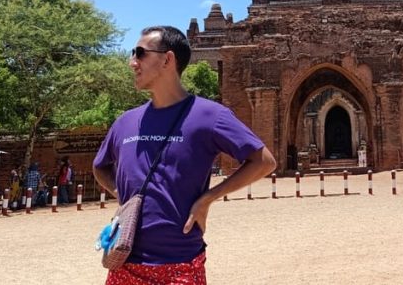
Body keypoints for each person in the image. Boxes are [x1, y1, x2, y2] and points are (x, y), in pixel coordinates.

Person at [93, 26, 276, 285]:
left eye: (140, 53)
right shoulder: (125, 122)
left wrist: (208, 198)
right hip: (124, 263)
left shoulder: (210, 116)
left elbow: (264, 161)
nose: (132, 62)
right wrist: (124, 197)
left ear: (167, 59)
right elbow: (100, 167)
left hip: (180, 265)